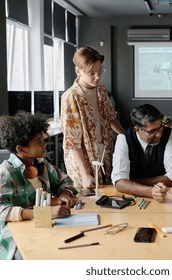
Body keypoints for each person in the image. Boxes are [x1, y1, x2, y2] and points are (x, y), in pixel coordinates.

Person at [0, 112, 78, 260]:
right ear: (21, 149)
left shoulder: (41, 164)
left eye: (43, 140)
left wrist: (65, 194)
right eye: (39, 142)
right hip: (12, 244)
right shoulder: (2, 175)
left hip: (41, 231)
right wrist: (45, 213)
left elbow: (65, 181)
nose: (44, 144)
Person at [61, 46, 124, 191]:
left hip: (104, 153)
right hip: (83, 160)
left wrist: (127, 137)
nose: (97, 77)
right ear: (78, 71)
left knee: (107, 195)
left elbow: (110, 117)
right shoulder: (71, 97)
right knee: (89, 200)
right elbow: (72, 142)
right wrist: (84, 174)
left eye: (100, 71)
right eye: (91, 73)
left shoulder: (100, 89)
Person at [111, 104, 172, 202]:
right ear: (137, 130)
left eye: (160, 127)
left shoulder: (168, 134)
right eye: (152, 131)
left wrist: (132, 182)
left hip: (163, 197)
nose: (159, 134)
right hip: (133, 199)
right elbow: (119, 183)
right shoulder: (123, 139)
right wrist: (151, 191)